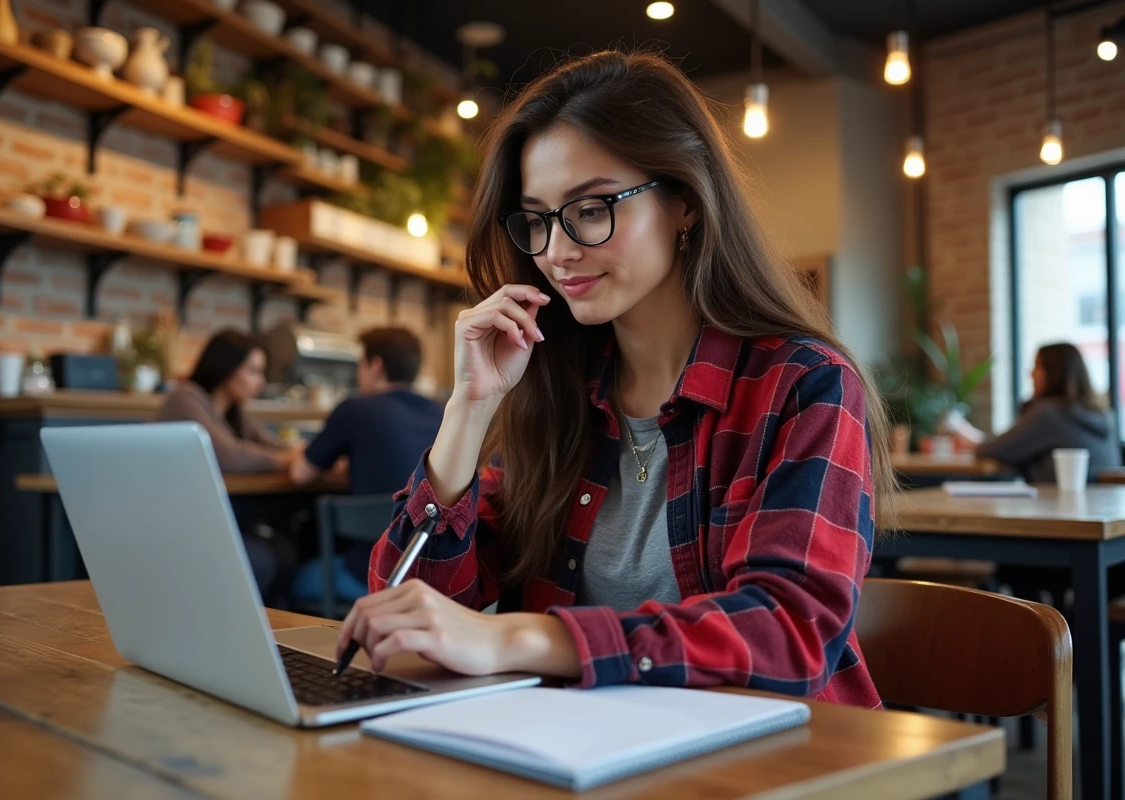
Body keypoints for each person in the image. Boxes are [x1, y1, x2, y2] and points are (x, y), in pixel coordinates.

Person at [333, 51, 895, 707]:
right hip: (592, 754)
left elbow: (788, 633)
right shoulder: (562, 393)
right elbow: (411, 613)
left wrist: (523, 640)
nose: (557, 252)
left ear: (683, 199)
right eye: (537, 218)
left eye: (591, 208)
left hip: (785, 761)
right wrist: (470, 407)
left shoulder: (801, 385)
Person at [289, 327, 444, 604]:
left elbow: (299, 474)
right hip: (431, 582)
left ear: (376, 365)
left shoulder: (356, 409)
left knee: (288, 576)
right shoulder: (441, 413)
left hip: (368, 577)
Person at [156, 329, 300, 599]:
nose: (261, 381)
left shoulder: (233, 412)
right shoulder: (185, 398)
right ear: (226, 368)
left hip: (208, 520)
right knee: (264, 558)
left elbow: (270, 444)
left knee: (284, 552)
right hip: (175, 527)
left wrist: (302, 453)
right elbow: (230, 455)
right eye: (253, 371)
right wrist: (292, 459)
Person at [946, 343, 1120, 482]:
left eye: (1037, 366)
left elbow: (995, 449)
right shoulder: (1100, 413)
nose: (1030, 373)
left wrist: (969, 436)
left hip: (1060, 511)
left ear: (1054, 373)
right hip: (1107, 509)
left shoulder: (1049, 413)